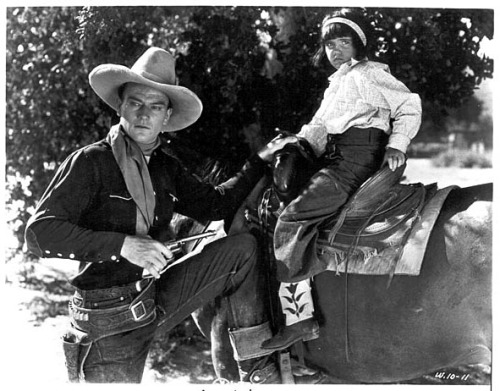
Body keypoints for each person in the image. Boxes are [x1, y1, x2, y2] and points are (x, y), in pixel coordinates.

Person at [24, 47, 296, 383]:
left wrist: (259, 160)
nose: (143, 114)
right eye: (136, 102)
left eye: (155, 107)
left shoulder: (165, 167)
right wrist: (123, 245)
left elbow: (215, 205)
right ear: (120, 105)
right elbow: (39, 235)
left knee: (242, 249)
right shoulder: (90, 162)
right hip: (105, 318)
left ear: (166, 117)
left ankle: (256, 371)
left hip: (152, 298)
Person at [261, 8, 422, 350]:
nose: (335, 50)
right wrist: (295, 145)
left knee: (291, 218)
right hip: (336, 157)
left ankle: (299, 318)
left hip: (353, 162)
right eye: (330, 44)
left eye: (343, 43)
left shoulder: (369, 74)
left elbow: (409, 104)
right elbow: (319, 127)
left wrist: (397, 144)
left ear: (359, 45)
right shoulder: (338, 81)